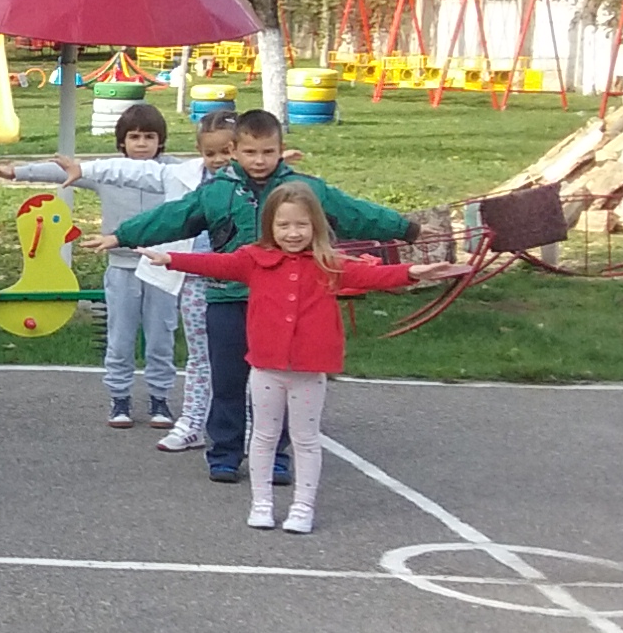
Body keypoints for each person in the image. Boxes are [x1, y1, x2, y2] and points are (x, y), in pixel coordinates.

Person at [97, 108, 420, 485]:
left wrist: (405, 229)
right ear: (234, 150)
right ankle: (225, 453)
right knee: (227, 381)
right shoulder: (217, 190)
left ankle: (276, 456)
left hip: (280, 303)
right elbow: (174, 216)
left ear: (281, 150)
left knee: (279, 383)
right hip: (227, 298)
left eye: (268, 152)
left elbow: (352, 211)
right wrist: (123, 235)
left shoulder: (303, 189)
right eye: (250, 152)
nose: (259, 160)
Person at [143, 183, 457, 533]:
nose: (293, 233)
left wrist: (411, 272)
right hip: (266, 367)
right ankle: (261, 503)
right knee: (263, 436)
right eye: (284, 225)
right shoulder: (253, 259)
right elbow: (217, 263)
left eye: (301, 225)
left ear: (315, 226)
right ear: (270, 226)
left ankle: (303, 507)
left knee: (305, 439)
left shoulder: (329, 263)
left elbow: (371, 275)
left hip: (309, 369)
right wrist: (171, 259)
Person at [0, 102, 182, 429]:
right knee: (120, 337)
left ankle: (160, 400)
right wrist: (17, 172)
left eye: (149, 137)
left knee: (162, 336)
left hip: (164, 269)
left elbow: (212, 172)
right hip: (122, 269)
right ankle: (119, 398)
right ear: (122, 142)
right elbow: (64, 171)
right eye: (134, 137)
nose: (142, 143)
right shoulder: (108, 172)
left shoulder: (176, 171)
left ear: (161, 140)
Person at [79, 110, 239, 453]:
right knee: (197, 356)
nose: (218, 160)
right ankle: (190, 421)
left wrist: (277, 167)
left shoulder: (256, 186)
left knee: (243, 357)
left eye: (228, 151)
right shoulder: (185, 177)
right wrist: (120, 236)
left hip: (241, 281)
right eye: (210, 153)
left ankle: (252, 426)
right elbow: (164, 215)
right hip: (190, 275)